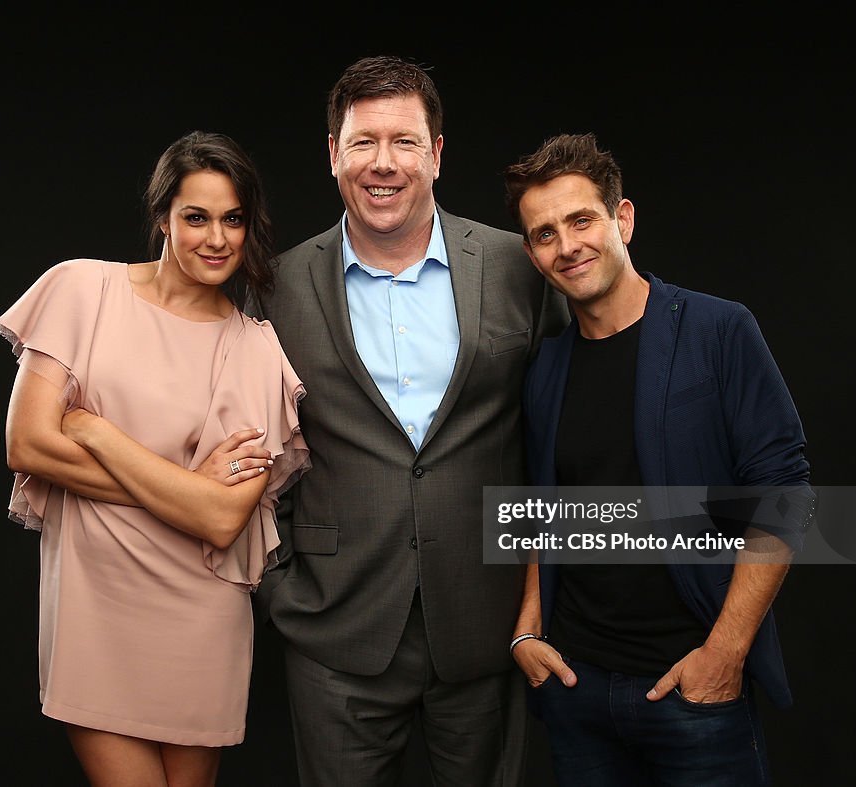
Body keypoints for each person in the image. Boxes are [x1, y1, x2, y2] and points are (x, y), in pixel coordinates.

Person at [250, 55, 569, 786]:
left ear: (437, 154)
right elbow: (250, 445)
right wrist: (279, 585)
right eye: (363, 142)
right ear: (333, 154)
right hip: (336, 623)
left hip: (488, 623)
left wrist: (541, 590)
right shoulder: (279, 288)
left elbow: (562, 424)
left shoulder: (516, 265)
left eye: (403, 141)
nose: (382, 163)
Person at [0, 130, 310, 787]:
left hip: (200, 614)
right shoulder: (81, 290)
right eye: (196, 217)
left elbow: (223, 521)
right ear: (162, 216)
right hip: (95, 605)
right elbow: (26, 444)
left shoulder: (253, 350)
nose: (217, 238)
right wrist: (184, 488)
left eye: (233, 219)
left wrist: (97, 433)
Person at [502, 132, 815, 785]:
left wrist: (725, 653)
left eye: (581, 219)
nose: (567, 245)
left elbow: (784, 493)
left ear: (623, 218)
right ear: (533, 253)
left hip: (692, 688)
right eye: (544, 234)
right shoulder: (547, 368)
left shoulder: (719, 330)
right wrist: (527, 628)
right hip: (577, 689)